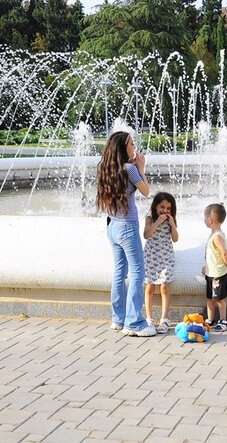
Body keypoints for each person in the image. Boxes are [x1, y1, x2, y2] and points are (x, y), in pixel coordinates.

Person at [95, 131, 156, 337]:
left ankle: (118, 318)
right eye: (131, 144)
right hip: (128, 227)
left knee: (119, 272)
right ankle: (134, 322)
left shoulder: (106, 167)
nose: (134, 146)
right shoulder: (130, 168)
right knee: (138, 272)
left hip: (112, 226)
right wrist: (142, 168)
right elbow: (146, 191)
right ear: (123, 148)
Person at [143, 192, 179, 334]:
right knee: (149, 287)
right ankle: (149, 318)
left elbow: (175, 239)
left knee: (164, 286)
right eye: (162, 207)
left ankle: (164, 318)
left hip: (166, 256)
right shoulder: (150, 219)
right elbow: (146, 235)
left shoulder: (171, 220)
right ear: (155, 206)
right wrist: (157, 222)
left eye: (168, 208)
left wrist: (172, 224)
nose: (165, 211)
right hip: (151, 256)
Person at [201, 203, 227, 332]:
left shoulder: (217, 237)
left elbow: (224, 253)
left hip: (218, 273)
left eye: (204, 217)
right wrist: (206, 266)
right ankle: (210, 319)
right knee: (210, 297)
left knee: (219, 298)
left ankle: (223, 320)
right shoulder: (214, 234)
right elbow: (212, 255)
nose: (203, 219)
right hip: (211, 272)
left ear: (209, 220)